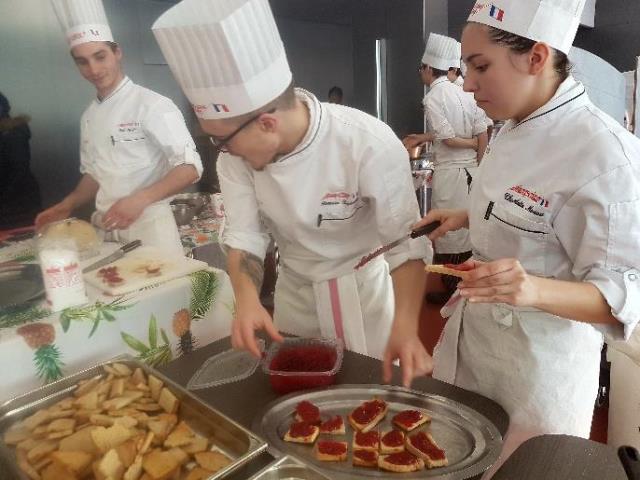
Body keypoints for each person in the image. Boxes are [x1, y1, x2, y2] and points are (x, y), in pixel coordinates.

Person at [153, 0, 433, 387]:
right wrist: (248, 299)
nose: (222, 150)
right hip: (296, 297)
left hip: (364, 298)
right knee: (300, 405)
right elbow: (245, 236)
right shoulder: (235, 158)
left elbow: (407, 244)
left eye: (222, 139)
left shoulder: (366, 142)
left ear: (267, 123)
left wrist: (405, 326)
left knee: (371, 404)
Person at [416, 0, 640, 476]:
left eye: (480, 66)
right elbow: (533, 221)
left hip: (537, 375)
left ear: (536, 57)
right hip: (475, 350)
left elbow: (623, 295)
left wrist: (531, 289)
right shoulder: (514, 126)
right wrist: (464, 216)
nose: (468, 83)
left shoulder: (606, 156)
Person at [36, 0, 202, 255]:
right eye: (82, 62)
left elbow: (189, 168)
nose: (93, 69)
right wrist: (66, 204)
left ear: (117, 52)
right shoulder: (89, 116)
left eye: (100, 57)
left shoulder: (153, 105)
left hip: (150, 230)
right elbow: (95, 173)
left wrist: (140, 200)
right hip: (105, 229)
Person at [403, 33, 488, 303]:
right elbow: (482, 132)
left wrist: (469, 143)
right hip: (472, 173)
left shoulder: (434, 97)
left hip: (451, 174)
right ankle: (462, 285)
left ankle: (453, 290)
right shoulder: (465, 90)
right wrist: (478, 156)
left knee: (448, 233)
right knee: (466, 230)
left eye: (421, 69)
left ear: (429, 68)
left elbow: (449, 138)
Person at [0, 92, 42, 229]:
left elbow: (19, 172)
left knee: (19, 247)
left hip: (16, 206)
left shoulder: (12, 134)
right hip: (15, 202)